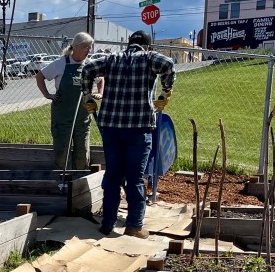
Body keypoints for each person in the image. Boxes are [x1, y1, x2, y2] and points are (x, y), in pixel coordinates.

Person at [81, 30, 175, 238]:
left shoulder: (111, 60)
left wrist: (88, 94)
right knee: (135, 178)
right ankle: (134, 226)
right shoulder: (150, 59)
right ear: (147, 46)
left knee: (113, 175)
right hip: (139, 128)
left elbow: (87, 68)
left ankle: (107, 224)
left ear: (129, 44)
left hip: (111, 128)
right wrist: (165, 91)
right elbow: (168, 64)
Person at [35, 32, 102, 171]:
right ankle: (63, 182)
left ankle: (80, 182)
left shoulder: (89, 65)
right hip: (62, 118)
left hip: (82, 118)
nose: (89, 50)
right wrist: (48, 95)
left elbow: (101, 79)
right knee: (62, 152)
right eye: (86, 47)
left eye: (90, 47)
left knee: (82, 153)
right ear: (76, 47)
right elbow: (40, 76)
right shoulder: (61, 63)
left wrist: (100, 93)